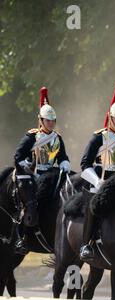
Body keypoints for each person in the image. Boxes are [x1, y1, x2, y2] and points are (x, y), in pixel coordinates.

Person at [79, 83, 115, 261]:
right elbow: (85, 163)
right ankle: (86, 244)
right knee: (95, 203)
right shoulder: (99, 137)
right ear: (110, 118)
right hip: (101, 181)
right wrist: (97, 181)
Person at [13, 87, 71, 254]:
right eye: (48, 120)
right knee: (30, 203)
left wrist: (65, 162)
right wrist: (28, 166)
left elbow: (63, 157)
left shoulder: (57, 138)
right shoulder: (31, 136)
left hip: (51, 176)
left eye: (53, 120)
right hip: (34, 176)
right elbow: (18, 156)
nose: (51, 123)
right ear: (41, 120)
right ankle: (22, 238)